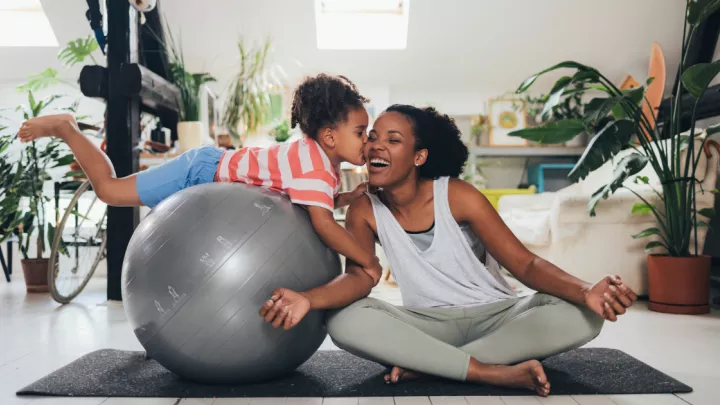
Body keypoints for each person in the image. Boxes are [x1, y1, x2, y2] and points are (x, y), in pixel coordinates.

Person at [259, 104, 638, 396]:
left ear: (419, 157)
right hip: (426, 324)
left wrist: (588, 290)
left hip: (498, 315)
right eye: (372, 136)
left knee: (584, 316)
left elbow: (524, 263)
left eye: (393, 140)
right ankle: (488, 370)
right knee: (343, 320)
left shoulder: (457, 195)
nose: (375, 145)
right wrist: (309, 299)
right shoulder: (363, 209)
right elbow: (360, 278)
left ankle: (431, 366)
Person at [17, 73, 382, 276]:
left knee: (113, 191)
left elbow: (312, 200)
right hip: (199, 172)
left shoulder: (318, 160)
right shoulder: (315, 166)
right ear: (330, 136)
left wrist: (346, 198)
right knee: (110, 192)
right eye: (361, 132)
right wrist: (367, 259)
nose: (368, 141)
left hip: (209, 170)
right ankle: (68, 128)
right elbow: (323, 224)